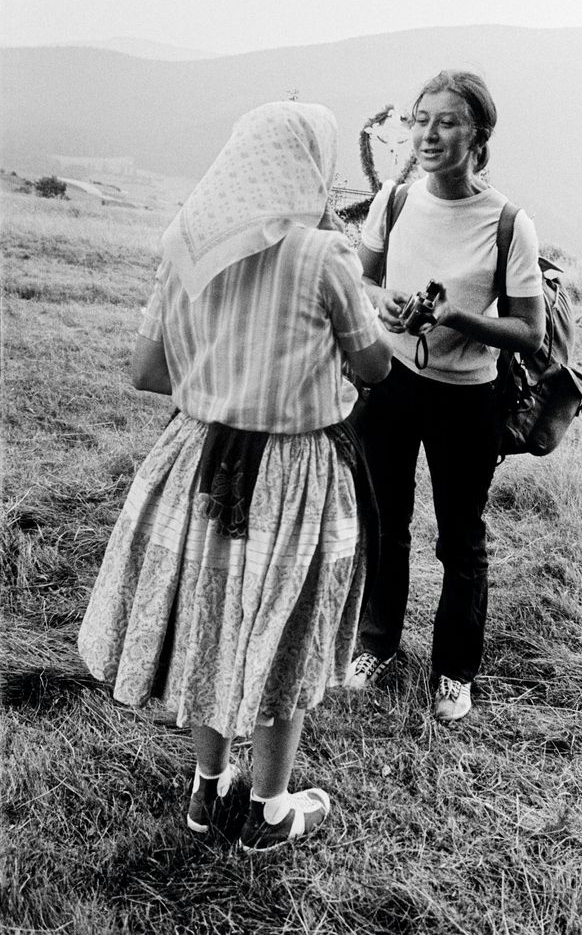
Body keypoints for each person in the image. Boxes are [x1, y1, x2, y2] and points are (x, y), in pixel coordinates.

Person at [78, 101, 392, 851]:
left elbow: (147, 370)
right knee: (283, 627)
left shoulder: (186, 244)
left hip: (201, 463)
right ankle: (272, 807)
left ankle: (206, 790)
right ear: (309, 166)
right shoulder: (324, 257)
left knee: (218, 617)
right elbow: (374, 364)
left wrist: (224, 379)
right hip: (293, 472)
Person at [345, 70, 545, 725]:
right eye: (421, 119)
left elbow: (529, 330)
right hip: (391, 384)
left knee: (461, 540)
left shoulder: (510, 223)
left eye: (448, 121)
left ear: (478, 135)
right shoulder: (396, 201)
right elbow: (361, 278)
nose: (429, 133)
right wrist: (388, 305)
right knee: (385, 521)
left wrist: (457, 319)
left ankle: (455, 671)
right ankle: (377, 642)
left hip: (467, 399)